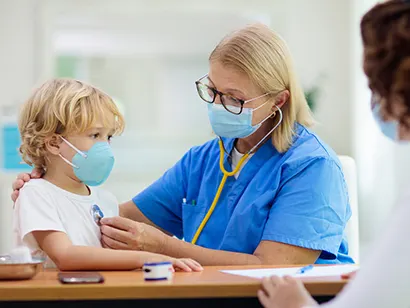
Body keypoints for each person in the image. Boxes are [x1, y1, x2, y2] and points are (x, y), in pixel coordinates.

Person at [12, 24, 353, 266]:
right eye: (213, 91)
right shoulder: (203, 160)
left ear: (278, 101)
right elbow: (111, 222)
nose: (218, 105)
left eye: (234, 98)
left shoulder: (311, 166)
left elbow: (273, 265)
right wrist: (55, 191)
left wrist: (165, 249)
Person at [257, 1, 410, 307]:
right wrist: (375, 281)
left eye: (378, 89)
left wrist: (297, 305)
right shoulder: (202, 158)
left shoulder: (314, 162)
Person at [13, 78, 202, 272]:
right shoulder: (36, 194)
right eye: (95, 135)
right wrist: (148, 258)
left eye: (108, 136)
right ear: (53, 143)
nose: (105, 146)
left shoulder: (106, 200)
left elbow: (112, 260)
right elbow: (66, 256)